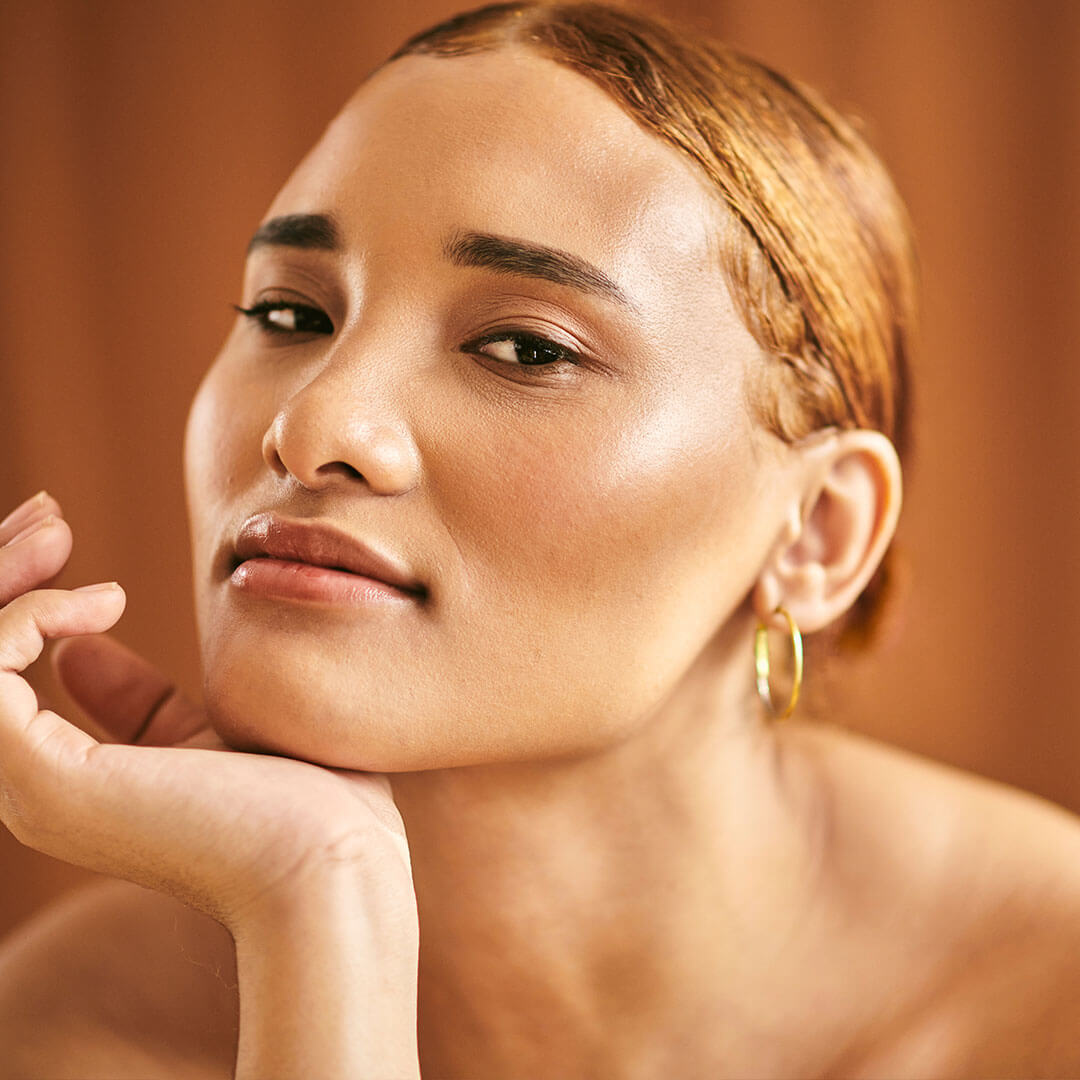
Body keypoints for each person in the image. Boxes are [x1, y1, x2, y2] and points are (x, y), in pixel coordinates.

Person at [1, 2, 1079, 1076]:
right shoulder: (66, 1029)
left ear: (817, 534)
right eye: (291, 315)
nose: (315, 424)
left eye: (523, 347)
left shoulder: (1049, 993)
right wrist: (316, 899)